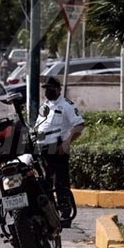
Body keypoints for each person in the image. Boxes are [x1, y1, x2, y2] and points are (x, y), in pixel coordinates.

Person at [34, 76, 84, 226]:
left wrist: (67, 143)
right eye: (45, 89)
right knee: (44, 183)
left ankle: (65, 215)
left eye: (50, 88)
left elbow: (79, 125)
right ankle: (49, 214)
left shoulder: (67, 105)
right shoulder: (46, 106)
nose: (47, 91)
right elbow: (39, 126)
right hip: (42, 148)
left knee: (60, 183)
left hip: (57, 148)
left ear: (58, 89)